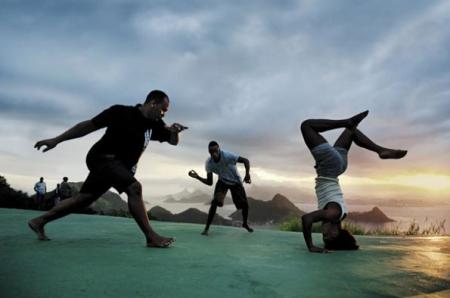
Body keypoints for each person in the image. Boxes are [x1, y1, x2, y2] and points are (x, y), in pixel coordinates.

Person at [29, 90, 187, 248]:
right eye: (163, 109)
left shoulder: (155, 124)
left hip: (116, 168)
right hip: (102, 159)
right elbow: (86, 127)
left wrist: (174, 133)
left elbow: (173, 141)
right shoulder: (120, 112)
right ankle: (151, 237)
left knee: (83, 199)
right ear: (153, 103)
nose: (164, 114)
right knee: (134, 188)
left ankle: (39, 221)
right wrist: (56, 140)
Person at [300, 111, 407, 253]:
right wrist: (311, 247)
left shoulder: (339, 214)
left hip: (338, 167)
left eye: (324, 238)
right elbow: (306, 219)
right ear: (338, 231)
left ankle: (380, 150)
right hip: (330, 167)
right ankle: (347, 122)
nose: (325, 235)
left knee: (351, 132)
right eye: (330, 236)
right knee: (307, 126)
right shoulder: (334, 213)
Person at [188, 141, 253, 235]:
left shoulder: (227, 156)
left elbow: (246, 160)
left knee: (245, 205)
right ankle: (206, 228)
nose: (214, 153)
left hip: (235, 182)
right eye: (211, 151)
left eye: (215, 150)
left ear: (219, 149)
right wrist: (197, 177)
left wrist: (247, 175)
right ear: (208, 152)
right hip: (222, 181)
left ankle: (245, 224)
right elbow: (210, 182)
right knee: (214, 202)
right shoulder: (209, 163)